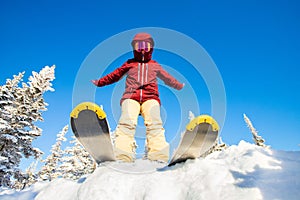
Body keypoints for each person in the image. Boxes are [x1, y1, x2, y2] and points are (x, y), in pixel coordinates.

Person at [92, 32, 184, 163]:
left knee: (155, 124)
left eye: (145, 46)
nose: (142, 49)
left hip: (151, 97)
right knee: (126, 124)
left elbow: (167, 77)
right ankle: (123, 157)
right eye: (138, 46)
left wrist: (178, 85)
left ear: (150, 48)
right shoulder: (129, 64)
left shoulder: (154, 65)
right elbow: (115, 75)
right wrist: (100, 82)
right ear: (134, 48)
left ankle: (158, 157)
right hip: (130, 97)